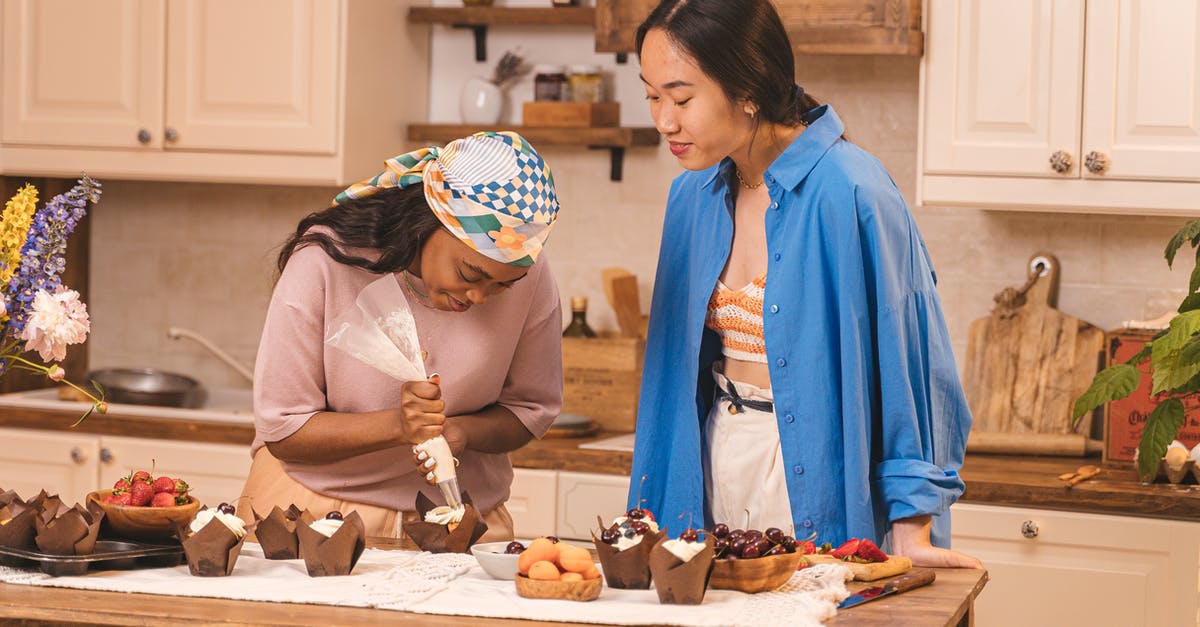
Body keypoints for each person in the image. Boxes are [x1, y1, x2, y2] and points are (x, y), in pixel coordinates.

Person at [628, 0, 981, 569]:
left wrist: (913, 529)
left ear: (747, 88)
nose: (664, 120)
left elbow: (915, 373)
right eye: (652, 96)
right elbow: (669, 384)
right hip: (708, 469)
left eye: (682, 97)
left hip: (813, 478)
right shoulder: (689, 198)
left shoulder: (854, 191)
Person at [239, 131, 563, 543]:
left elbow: (530, 409)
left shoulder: (527, 273)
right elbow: (284, 431)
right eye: (469, 274)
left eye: (503, 286)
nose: (481, 297)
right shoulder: (326, 260)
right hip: (310, 515)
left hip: (461, 525)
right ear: (428, 220)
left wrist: (464, 433)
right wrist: (398, 425)